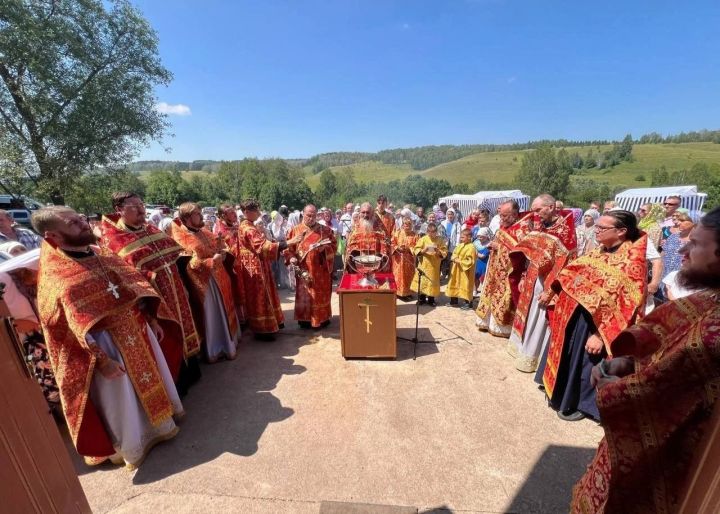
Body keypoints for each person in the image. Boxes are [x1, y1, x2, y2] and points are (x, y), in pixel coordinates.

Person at [570, 207, 720, 513]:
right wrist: (631, 363)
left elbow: (673, 384)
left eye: (697, 243)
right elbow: (668, 350)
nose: (682, 247)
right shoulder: (708, 300)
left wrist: (614, 388)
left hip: (682, 464)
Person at [33, 206, 184, 469]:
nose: (83, 223)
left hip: (136, 330)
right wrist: (101, 360)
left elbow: (132, 284)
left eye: (81, 217)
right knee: (121, 399)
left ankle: (161, 426)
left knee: (150, 380)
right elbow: (66, 328)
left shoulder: (100, 252)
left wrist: (150, 318)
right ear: (52, 235)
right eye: (73, 222)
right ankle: (132, 446)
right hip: (104, 345)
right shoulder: (56, 275)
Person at [540, 210, 647, 422]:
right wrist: (552, 291)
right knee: (568, 354)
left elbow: (628, 308)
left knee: (586, 362)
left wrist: (600, 335)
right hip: (573, 315)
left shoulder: (632, 263)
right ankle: (559, 392)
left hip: (597, 326)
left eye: (602, 228)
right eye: (596, 227)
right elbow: (571, 272)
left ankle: (581, 405)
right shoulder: (599, 251)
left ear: (621, 231)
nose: (596, 231)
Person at [101, 193, 201, 393]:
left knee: (184, 327)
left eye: (141, 205)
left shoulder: (150, 229)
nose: (140, 210)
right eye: (133, 206)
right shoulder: (114, 239)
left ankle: (192, 368)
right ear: (119, 210)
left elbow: (173, 256)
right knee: (167, 338)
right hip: (154, 300)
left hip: (176, 291)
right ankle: (176, 382)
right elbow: (125, 277)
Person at [509, 194, 577, 372]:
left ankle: (533, 358)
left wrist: (550, 292)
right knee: (527, 314)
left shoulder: (565, 231)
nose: (535, 214)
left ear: (552, 207)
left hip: (547, 283)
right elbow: (531, 254)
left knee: (538, 320)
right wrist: (524, 275)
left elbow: (565, 265)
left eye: (538, 210)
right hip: (532, 277)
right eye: (533, 210)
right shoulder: (541, 226)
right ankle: (521, 349)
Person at [171, 202, 240, 360]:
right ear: (187, 218)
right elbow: (189, 265)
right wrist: (211, 261)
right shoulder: (181, 237)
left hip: (220, 278)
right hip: (204, 283)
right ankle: (215, 349)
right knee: (212, 315)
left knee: (223, 311)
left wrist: (223, 251)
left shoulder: (203, 230)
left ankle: (229, 343)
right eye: (197, 213)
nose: (201, 216)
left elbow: (219, 243)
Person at [237, 199, 293, 339]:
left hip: (257, 263)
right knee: (260, 296)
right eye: (255, 210)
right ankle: (263, 329)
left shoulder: (248, 225)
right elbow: (262, 247)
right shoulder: (248, 228)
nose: (259, 213)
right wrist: (288, 243)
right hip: (254, 268)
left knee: (266, 294)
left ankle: (272, 323)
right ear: (246, 212)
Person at [475, 200, 530, 338]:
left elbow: (520, 253)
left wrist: (498, 247)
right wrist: (494, 245)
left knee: (503, 298)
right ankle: (487, 323)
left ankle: (501, 327)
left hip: (509, 273)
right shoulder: (504, 226)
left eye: (505, 216)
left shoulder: (522, 229)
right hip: (494, 268)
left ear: (515, 214)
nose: (502, 219)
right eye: (501, 215)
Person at [284, 205, 336, 329]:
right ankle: (305, 320)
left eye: (313, 215)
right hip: (303, 270)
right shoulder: (295, 230)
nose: (311, 218)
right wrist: (291, 257)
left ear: (317, 215)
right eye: (308, 215)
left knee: (319, 294)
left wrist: (325, 249)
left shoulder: (325, 230)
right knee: (305, 295)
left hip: (321, 270)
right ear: (303, 214)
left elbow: (333, 246)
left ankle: (322, 319)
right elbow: (287, 248)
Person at [212, 204, 248, 325]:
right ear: (223, 215)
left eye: (234, 212)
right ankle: (240, 320)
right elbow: (221, 249)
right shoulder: (219, 231)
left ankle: (246, 316)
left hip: (242, 264)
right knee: (235, 291)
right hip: (231, 267)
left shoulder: (235, 226)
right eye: (231, 213)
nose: (235, 214)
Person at [344, 203, 390, 271]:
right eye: (363, 212)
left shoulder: (379, 229)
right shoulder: (355, 229)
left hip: (376, 264)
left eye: (368, 212)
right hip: (359, 264)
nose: (365, 215)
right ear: (360, 213)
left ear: (372, 213)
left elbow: (385, 245)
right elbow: (350, 247)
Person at [411, 222, 447, 306]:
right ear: (427, 232)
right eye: (429, 232)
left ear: (436, 232)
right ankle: (421, 299)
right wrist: (424, 250)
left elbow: (444, 252)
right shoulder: (423, 239)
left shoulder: (440, 240)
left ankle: (431, 299)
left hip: (434, 265)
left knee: (432, 282)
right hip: (424, 264)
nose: (431, 234)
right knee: (423, 280)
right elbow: (416, 249)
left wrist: (438, 251)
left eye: (433, 232)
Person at [447, 228, 476, 309]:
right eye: (461, 237)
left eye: (463, 237)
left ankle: (468, 303)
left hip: (465, 271)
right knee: (454, 282)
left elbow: (470, 261)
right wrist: (454, 257)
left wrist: (459, 260)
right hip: (456, 269)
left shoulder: (471, 248)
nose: (461, 239)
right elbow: (454, 253)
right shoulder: (460, 245)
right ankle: (454, 300)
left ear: (469, 237)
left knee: (465, 284)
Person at [391, 217, 418, 301]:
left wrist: (409, 248)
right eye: (406, 224)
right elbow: (392, 243)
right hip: (398, 260)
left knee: (408, 276)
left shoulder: (415, 235)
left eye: (409, 225)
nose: (407, 226)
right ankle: (398, 293)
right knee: (398, 276)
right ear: (403, 225)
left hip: (409, 260)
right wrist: (397, 248)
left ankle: (408, 293)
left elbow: (417, 247)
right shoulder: (397, 233)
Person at [661, 212, 694, 280]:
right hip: (664, 274)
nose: (679, 223)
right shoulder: (673, 236)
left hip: (681, 277)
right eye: (679, 221)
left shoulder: (695, 241)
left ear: (692, 223)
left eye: (682, 221)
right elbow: (663, 253)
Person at [440, 208, 461, 279]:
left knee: (450, 259)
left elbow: (458, 234)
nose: (450, 216)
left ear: (454, 215)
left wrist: (457, 244)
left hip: (453, 244)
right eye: (448, 214)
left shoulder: (457, 224)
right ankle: (443, 274)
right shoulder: (443, 222)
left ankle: (450, 275)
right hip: (444, 243)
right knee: (443, 259)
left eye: (451, 214)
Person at [473, 227, 491, 294]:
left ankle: (484, 292)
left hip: (484, 264)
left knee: (483, 278)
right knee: (475, 277)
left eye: (481, 237)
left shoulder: (489, 245)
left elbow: (482, 256)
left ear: (486, 237)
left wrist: (475, 252)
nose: (479, 238)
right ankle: (475, 290)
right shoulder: (476, 243)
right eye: (478, 237)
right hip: (476, 263)